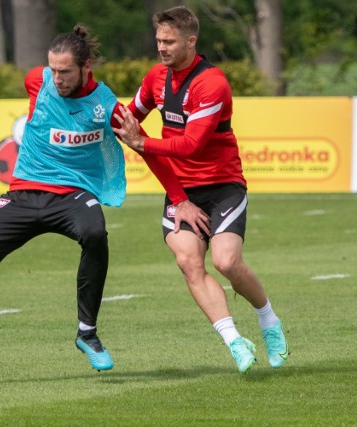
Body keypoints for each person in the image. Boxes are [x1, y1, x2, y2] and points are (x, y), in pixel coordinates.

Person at [0, 24, 198, 384]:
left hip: (74, 194)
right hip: (24, 193)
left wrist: (180, 199)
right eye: (53, 70)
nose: (56, 79)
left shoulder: (107, 107)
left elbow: (143, 146)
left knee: (95, 232)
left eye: (65, 72)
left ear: (86, 67)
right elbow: (42, 83)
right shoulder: (35, 82)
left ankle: (86, 332)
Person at [112, 5, 289, 374]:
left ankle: (269, 322)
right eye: (159, 40)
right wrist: (93, 114)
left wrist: (142, 144)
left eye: (169, 41)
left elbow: (191, 144)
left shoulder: (212, 83)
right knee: (188, 261)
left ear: (191, 41)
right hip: (182, 191)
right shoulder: (155, 78)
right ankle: (235, 342)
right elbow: (129, 118)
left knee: (226, 262)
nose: (161, 47)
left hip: (223, 185)